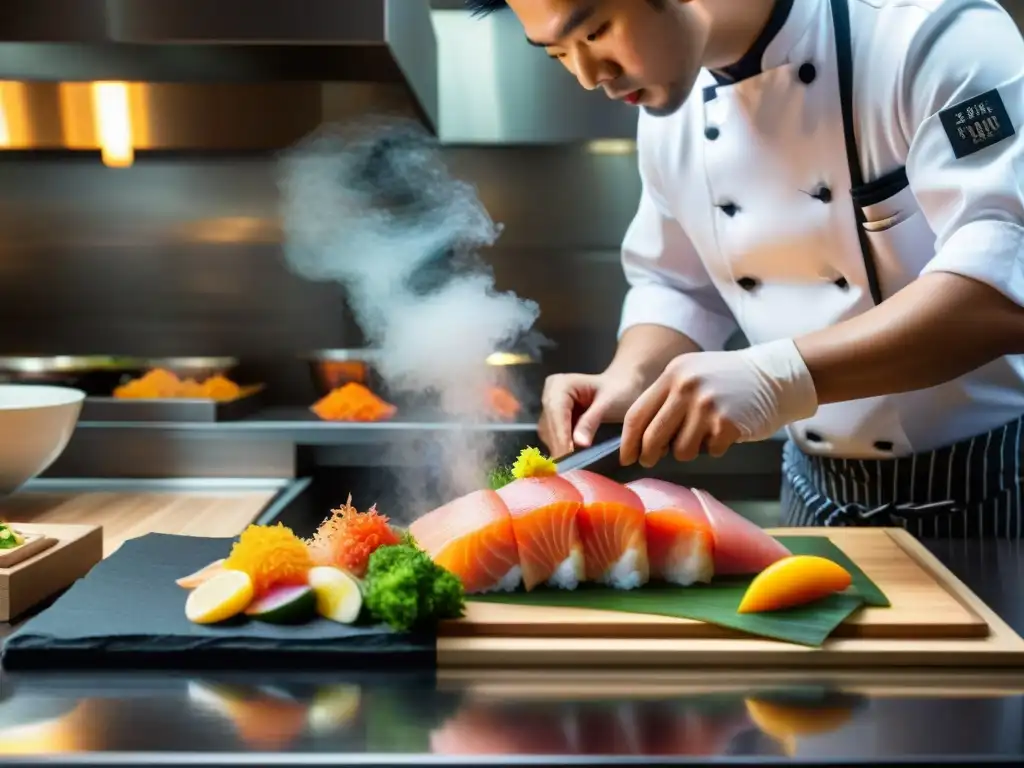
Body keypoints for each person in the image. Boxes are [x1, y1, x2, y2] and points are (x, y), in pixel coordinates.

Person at [464, 0, 1024, 538]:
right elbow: (678, 286)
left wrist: (777, 377)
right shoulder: (666, 104)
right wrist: (629, 378)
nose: (589, 76)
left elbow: (1000, 290)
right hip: (816, 495)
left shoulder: (931, 35)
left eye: (593, 33)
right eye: (557, 53)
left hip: (993, 489)